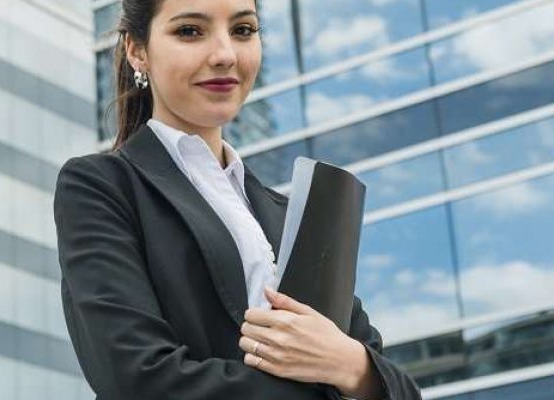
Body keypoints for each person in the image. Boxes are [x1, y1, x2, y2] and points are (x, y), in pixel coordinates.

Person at [52, 0, 422, 399]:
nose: (225, 54)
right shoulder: (102, 187)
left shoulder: (286, 217)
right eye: (190, 31)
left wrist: (351, 365)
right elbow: (139, 377)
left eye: (243, 30)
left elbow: (395, 383)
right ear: (137, 50)